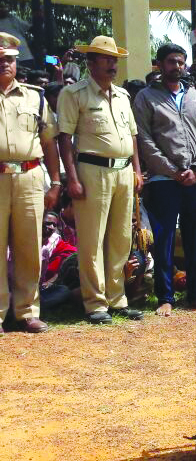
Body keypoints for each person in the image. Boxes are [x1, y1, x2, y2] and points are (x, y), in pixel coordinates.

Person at [56, 36, 145, 325]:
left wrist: (137, 170)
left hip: (122, 171)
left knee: (120, 237)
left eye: (114, 59)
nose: (112, 64)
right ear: (90, 62)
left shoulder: (122, 95)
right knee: (92, 239)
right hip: (91, 171)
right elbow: (65, 138)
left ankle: (117, 298)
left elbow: (132, 136)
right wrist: (71, 177)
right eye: (106, 59)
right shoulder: (75, 94)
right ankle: (95, 302)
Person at [133, 43, 196, 316]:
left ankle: (195, 295)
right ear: (159, 64)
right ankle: (165, 297)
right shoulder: (146, 97)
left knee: (195, 237)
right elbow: (144, 140)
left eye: (180, 62)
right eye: (171, 62)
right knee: (164, 238)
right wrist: (171, 170)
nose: (176, 67)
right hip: (162, 180)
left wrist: (195, 167)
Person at [0, 33, 62, 334]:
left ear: (16, 62)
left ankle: (27, 311)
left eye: (9, 60)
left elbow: (49, 142)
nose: (4, 64)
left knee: (28, 247)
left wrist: (56, 182)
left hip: (29, 175)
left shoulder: (35, 97)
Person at [0, 3, 34, 67]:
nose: (3, 10)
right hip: (7, 59)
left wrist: (38, 17)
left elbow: (29, 27)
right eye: (1, 8)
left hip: (25, 56)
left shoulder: (12, 18)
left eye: (4, 8)